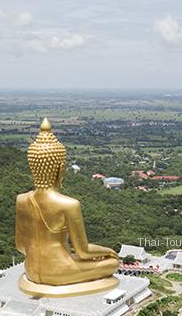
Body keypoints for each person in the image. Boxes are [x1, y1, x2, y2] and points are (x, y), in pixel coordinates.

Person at [15, 118, 119, 286]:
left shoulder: (21, 200)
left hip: (31, 269)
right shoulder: (69, 204)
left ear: (32, 166)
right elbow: (83, 252)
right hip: (59, 271)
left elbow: (20, 246)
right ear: (60, 167)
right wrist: (109, 251)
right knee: (113, 263)